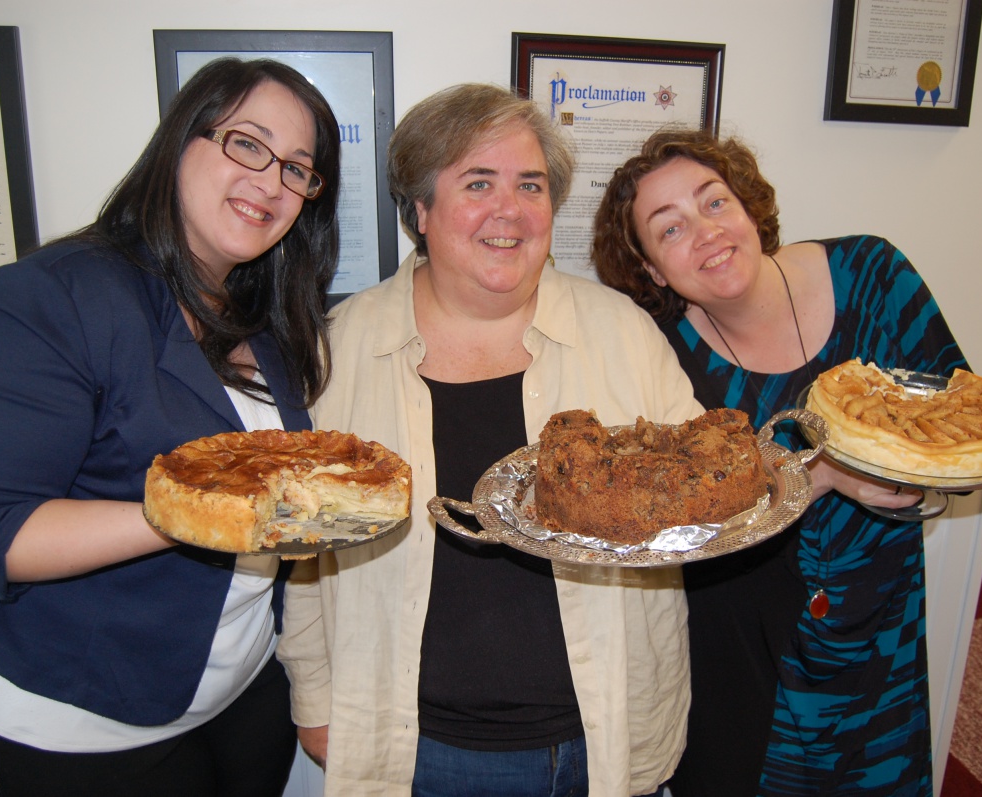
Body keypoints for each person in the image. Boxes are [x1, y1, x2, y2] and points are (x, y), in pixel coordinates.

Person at [0, 57, 341, 797]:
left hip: (241, 688)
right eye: (248, 144)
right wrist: (197, 514)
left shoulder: (262, 312)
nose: (273, 182)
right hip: (83, 717)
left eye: (298, 169)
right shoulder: (49, 298)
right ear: (180, 141)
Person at [277, 84, 704, 797]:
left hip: (604, 734)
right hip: (423, 748)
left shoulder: (624, 332)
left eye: (529, 185)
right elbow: (307, 550)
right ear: (420, 209)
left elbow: (702, 500)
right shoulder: (341, 350)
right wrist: (315, 697)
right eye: (478, 182)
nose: (509, 209)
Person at [592, 128, 966, 797]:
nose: (705, 232)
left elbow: (955, 415)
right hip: (741, 645)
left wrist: (911, 464)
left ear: (748, 204)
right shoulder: (661, 357)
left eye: (714, 202)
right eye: (669, 229)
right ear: (651, 269)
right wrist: (823, 473)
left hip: (877, 625)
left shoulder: (873, 276)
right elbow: (687, 517)